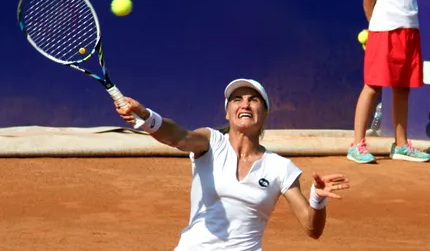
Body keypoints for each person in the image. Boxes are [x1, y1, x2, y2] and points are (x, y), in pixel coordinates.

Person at [115, 78, 350, 250]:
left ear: (265, 113)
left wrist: (318, 199)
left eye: (253, 100)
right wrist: (147, 117)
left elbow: (312, 229)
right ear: (228, 113)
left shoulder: (281, 167)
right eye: (237, 100)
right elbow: (178, 136)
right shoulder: (210, 142)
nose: (245, 104)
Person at [347, 0, 430, 164]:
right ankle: (356, 145)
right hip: (383, 32)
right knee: (373, 86)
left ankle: (401, 145)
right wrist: (375, 28)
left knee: (403, 88)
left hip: (410, 31)